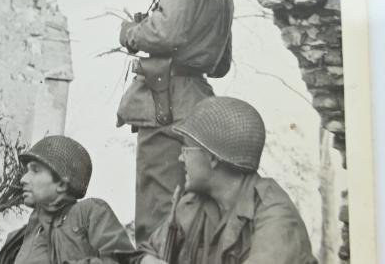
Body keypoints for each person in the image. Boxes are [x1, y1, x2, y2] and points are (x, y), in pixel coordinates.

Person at [116, 0, 234, 243]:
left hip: (164, 105)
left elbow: (167, 33)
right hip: (196, 104)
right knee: (185, 214)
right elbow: (221, 64)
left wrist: (131, 33)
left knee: (156, 212)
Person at [132, 96, 316, 264]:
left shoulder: (275, 215)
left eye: (186, 150)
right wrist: (149, 261)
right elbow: (146, 252)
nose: (181, 158)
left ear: (212, 158)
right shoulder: (193, 205)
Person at [0, 135, 135, 264]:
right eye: (27, 171)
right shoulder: (16, 240)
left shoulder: (87, 213)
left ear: (61, 184)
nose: (23, 179)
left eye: (35, 170)